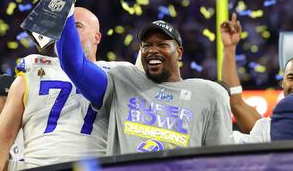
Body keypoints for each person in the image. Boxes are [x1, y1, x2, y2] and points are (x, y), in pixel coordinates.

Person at [55, 8, 233, 155]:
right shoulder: (122, 80)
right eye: (146, 46)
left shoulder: (209, 94)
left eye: (162, 45)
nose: (153, 50)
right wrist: (66, 2)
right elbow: (74, 64)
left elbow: (220, 159)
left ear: (179, 52)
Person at [0, 7, 131, 171]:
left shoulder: (118, 73)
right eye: (63, 26)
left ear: (97, 37)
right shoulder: (32, 70)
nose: (67, 31)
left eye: (76, 26)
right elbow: (2, 139)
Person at [221, 13, 293, 143]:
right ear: (282, 83)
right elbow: (235, 102)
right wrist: (229, 49)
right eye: (291, 77)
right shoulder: (266, 129)